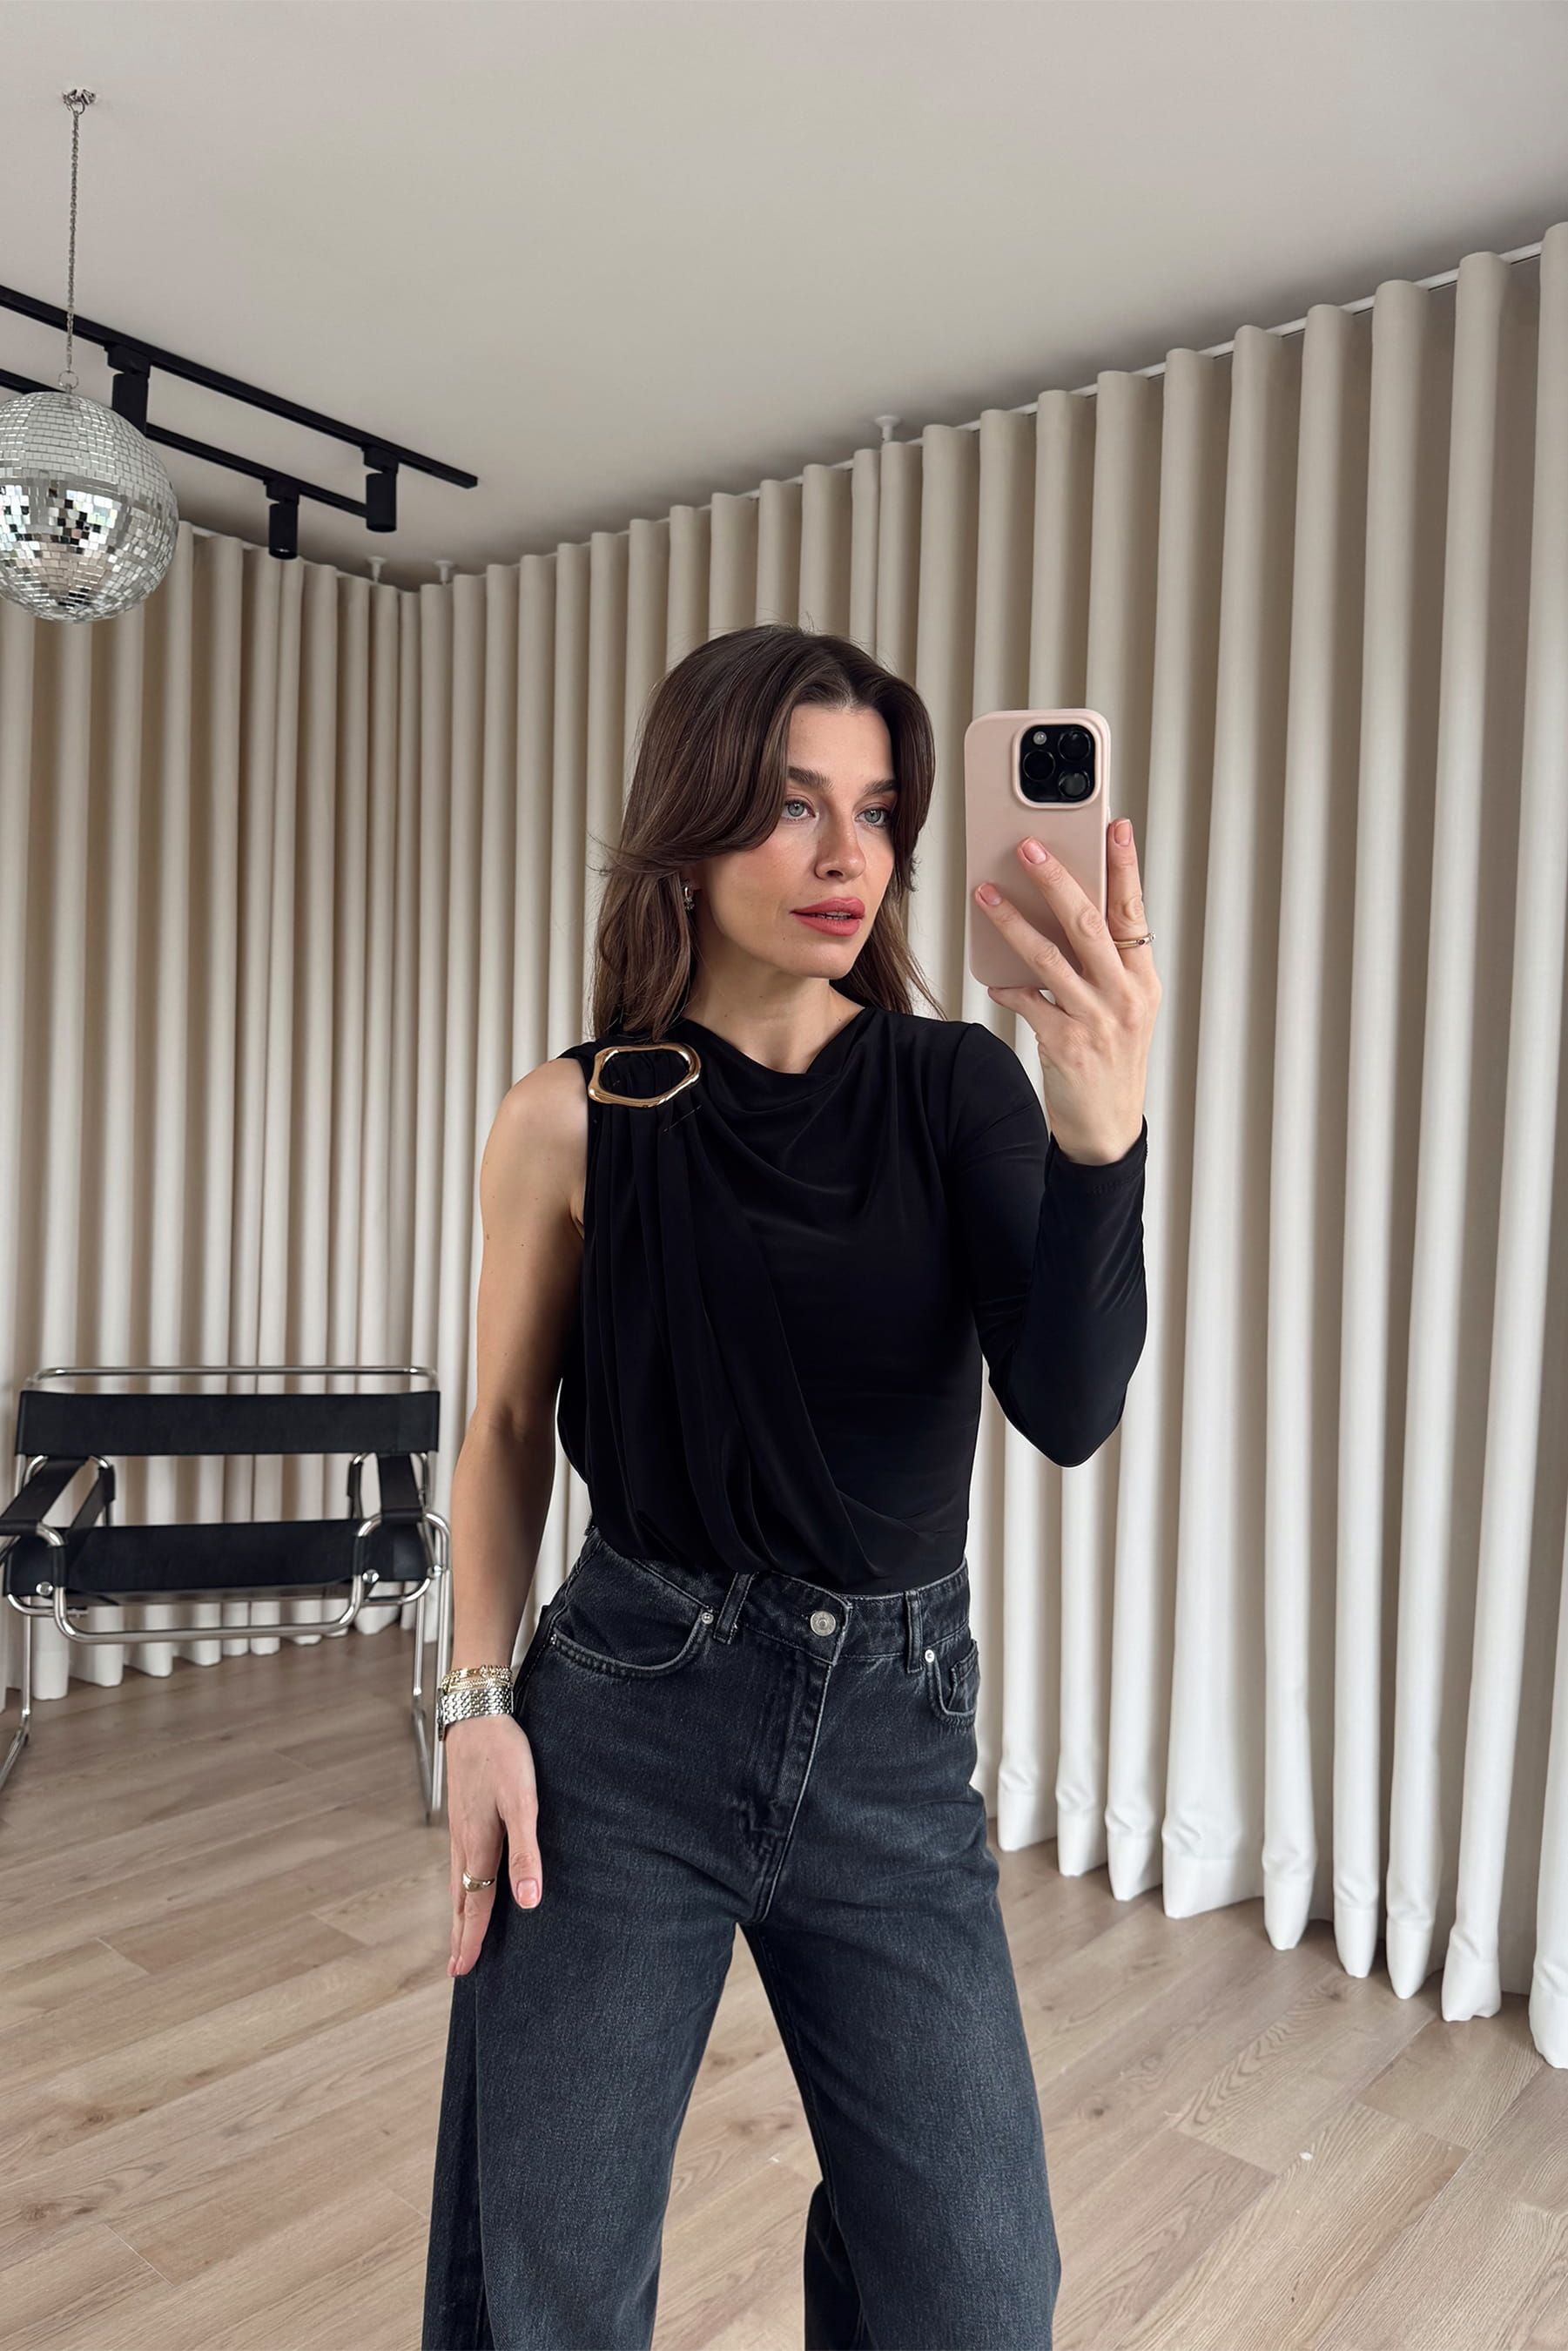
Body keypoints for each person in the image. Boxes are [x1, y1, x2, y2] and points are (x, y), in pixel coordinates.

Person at [421, 623, 1160, 2351]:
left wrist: (1102, 1134)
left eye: (880, 811)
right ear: (687, 826)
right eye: (792, 805)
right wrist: (473, 1707)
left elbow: (1067, 1409)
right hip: (624, 1726)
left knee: (977, 2295)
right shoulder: (570, 1116)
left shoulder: (955, 1086)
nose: (849, 857)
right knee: (550, 2284)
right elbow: (506, 1425)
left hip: (891, 1742)